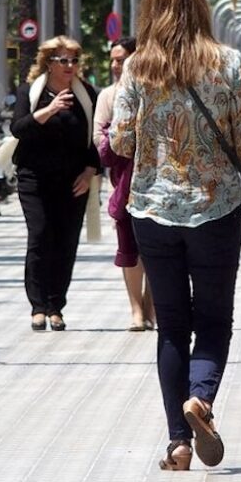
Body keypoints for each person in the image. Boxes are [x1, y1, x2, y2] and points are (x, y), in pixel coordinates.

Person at [111, 0, 241, 472]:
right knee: (214, 322)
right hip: (216, 210)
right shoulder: (229, 63)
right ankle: (200, 397)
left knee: (172, 328)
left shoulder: (137, 67)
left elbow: (119, 141)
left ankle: (178, 443)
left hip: (154, 214)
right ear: (201, 7)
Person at [11, 36, 100, 332]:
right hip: (34, 178)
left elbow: (93, 142)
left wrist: (89, 173)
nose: (70, 66)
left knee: (65, 243)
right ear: (48, 62)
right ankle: (38, 306)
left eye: (74, 60)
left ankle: (55, 306)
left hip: (72, 182)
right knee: (39, 236)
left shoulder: (86, 95)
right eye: (63, 60)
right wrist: (49, 111)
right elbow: (18, 129)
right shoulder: (30, 93)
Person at [94, 38, 154, 331]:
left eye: (122, 59)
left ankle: (151, 305)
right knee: (129, 249)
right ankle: (136, 311)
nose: (117, 65)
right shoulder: (108, 96)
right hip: (124, 186)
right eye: (114, 60)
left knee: (156, 250)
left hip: (158, 185)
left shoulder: (156, 89)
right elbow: (99, 140)